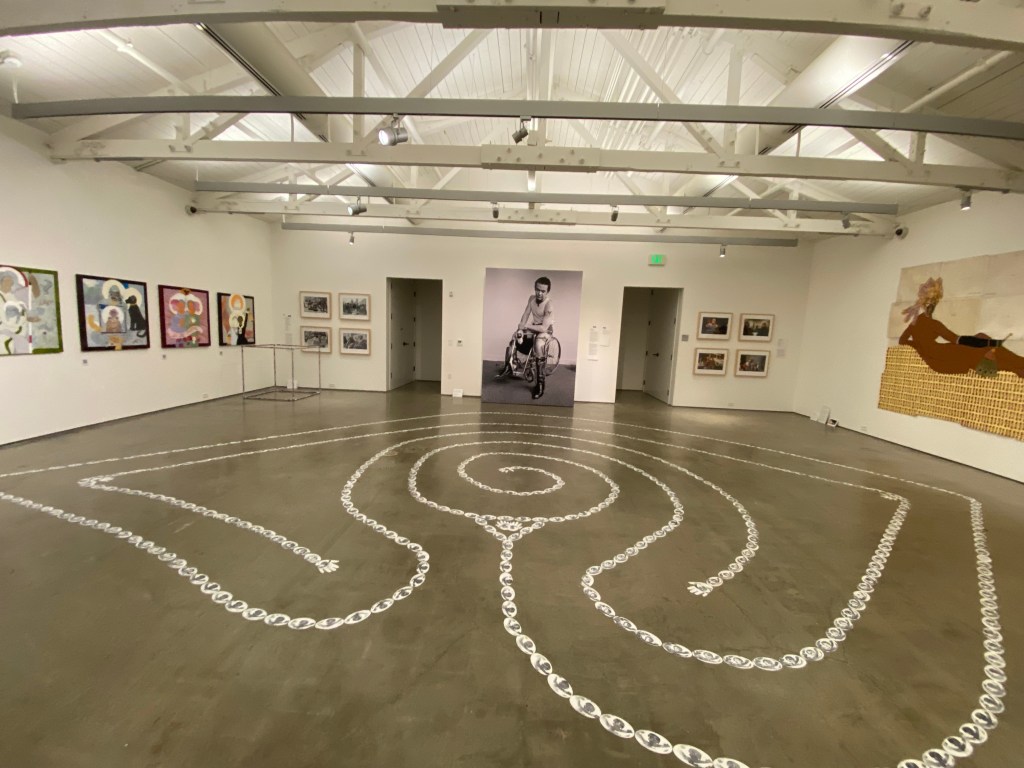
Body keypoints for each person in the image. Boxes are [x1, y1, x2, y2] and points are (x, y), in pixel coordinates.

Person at [898, 277, 1022, 378]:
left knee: (981, 342)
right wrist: (988, 342)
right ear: (934, 304)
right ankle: (1017, 365)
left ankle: (1016, 366)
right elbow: (956, 339)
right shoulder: (933, 324)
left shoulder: (914, 323)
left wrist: (920, 347)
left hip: (936, 360)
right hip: (944, 359)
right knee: (983, 345)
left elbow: (902, 340)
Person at [495, 276, 554, 399]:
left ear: (547, 292)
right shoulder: (531, 299)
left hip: (545, 330)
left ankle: (540, 384)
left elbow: (543, 328)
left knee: (538, 345)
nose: (539, 293)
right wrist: (521, 328)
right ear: (534, 288)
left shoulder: (549, 305)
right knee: (515, 336)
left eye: (543, 291)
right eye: (537, 289)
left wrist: (526, 325)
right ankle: (508, 366)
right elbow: (526, 314)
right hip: (533, 327)